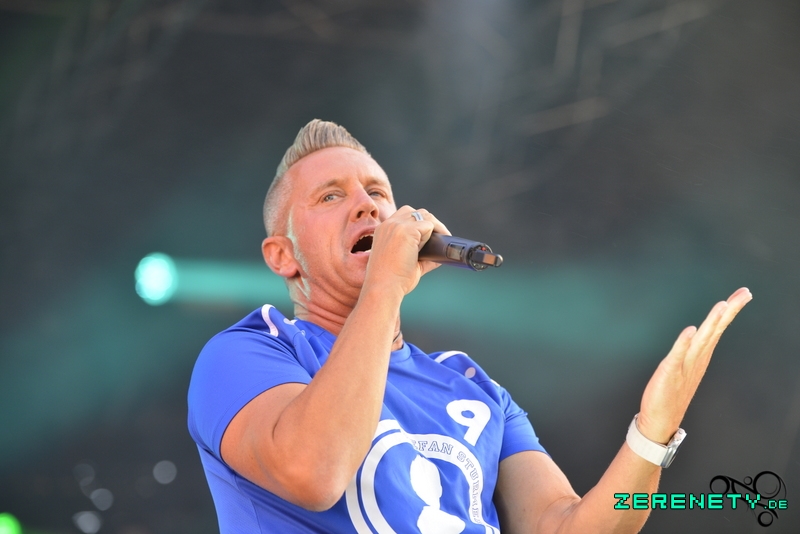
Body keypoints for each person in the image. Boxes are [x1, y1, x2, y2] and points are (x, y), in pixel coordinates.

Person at [187, 119, 752, 533]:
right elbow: (314, 472)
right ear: (282, 256)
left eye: (377, 192)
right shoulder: (246, 356)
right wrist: (384, 286)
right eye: (331, 195)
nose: (367, 206)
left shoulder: (473, 389)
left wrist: (651, 434)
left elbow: (567, 526)